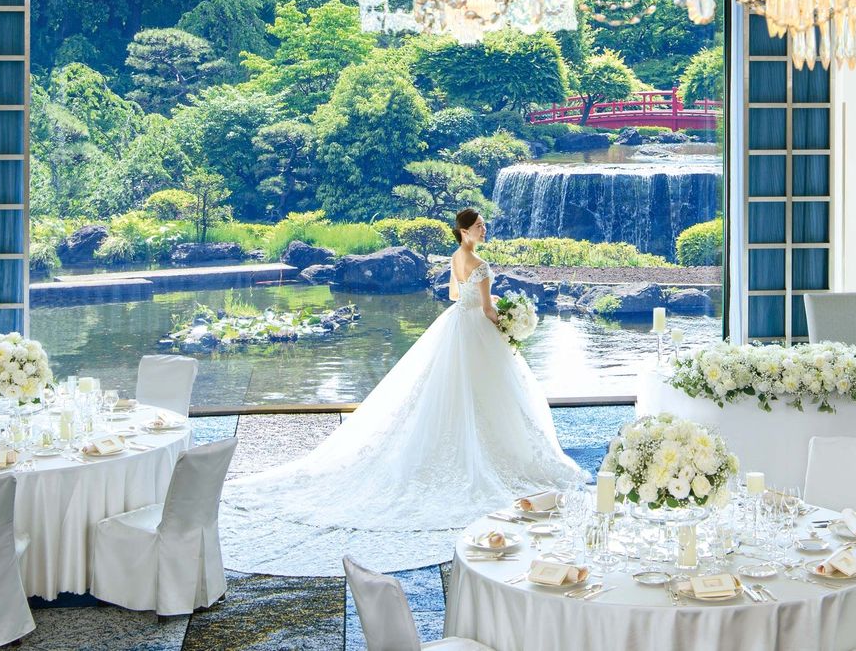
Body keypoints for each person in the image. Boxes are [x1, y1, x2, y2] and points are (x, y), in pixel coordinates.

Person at [221, 207, 585, 573]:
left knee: (449, 392)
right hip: (476, 329)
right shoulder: (480, 264)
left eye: (483, 225)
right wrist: (510, 323)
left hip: (456, 325)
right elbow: (489, 310)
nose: (483, 229)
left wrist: (482, 311)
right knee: (488, 393)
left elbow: (454, 294)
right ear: (464, 230)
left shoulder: (456, 257)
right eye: (478, 226)